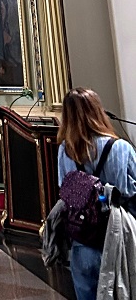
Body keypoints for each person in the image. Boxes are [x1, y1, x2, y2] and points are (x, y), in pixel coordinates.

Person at [57, 87, 136, 300]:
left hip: (83, 241)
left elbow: (65, 192)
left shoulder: (65, 151)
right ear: (98, 111)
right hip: (119, 239)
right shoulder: (121, 148)